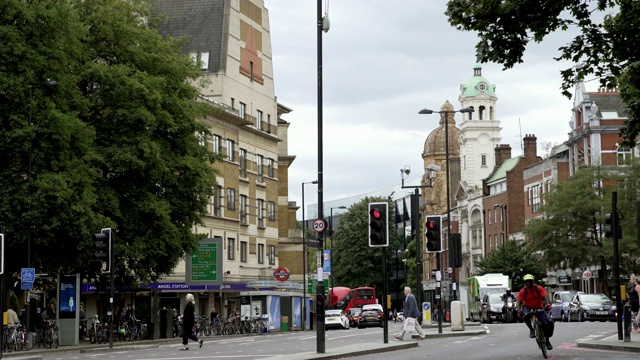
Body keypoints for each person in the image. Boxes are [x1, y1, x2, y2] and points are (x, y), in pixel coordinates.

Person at [518, 274, 552, 351]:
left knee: (545, 324)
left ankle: (547, 341)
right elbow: (519, 302)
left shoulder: (538, 288)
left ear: (533, 281)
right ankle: (531, 329)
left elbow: (545, 297)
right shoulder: (523, 291)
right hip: (528, 307)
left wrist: (547, 305)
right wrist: (519, 311)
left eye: (530, 281)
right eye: (527, 282)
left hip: (539, 307)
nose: (528, 283)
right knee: (526, 316)